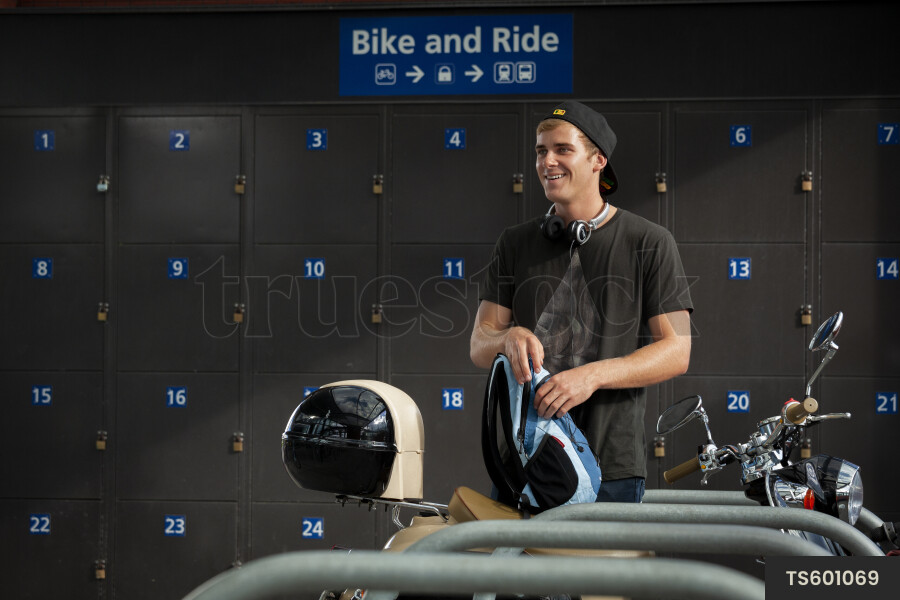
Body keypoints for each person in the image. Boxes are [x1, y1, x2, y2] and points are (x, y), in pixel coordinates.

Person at [470, 101, 693, 503]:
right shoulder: (514, 243)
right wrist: (507, 338)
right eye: (541, 151)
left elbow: (677, 350)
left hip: (612, 468)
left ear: (598, 161)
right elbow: (479, 342)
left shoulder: (649, 242)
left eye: (562, 149)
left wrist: (591, 376)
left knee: (601, 570)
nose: (547, 161)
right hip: (524, 462)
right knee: (513, 569)